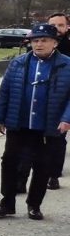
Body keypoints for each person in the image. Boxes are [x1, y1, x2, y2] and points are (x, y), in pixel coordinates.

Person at [0, 22, 70, 221]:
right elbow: (5, 91)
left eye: (44, 40)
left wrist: (66, 118)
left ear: (55, 43)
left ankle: (34, 204)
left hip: (47, 125)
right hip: (19, 122)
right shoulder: (19, 62)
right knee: (10, 162)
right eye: (35, 40)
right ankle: (7, 202)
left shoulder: (66, 65)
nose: (39, 44)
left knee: (42, 165)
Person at [45, 12, 70, 189]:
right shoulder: (40, 44)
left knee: (57, 139)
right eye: (53, 25)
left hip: (63, 98)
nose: (57, 29)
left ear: (67, 27)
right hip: (43, 97)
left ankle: (53, 174)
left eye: (60, 25)